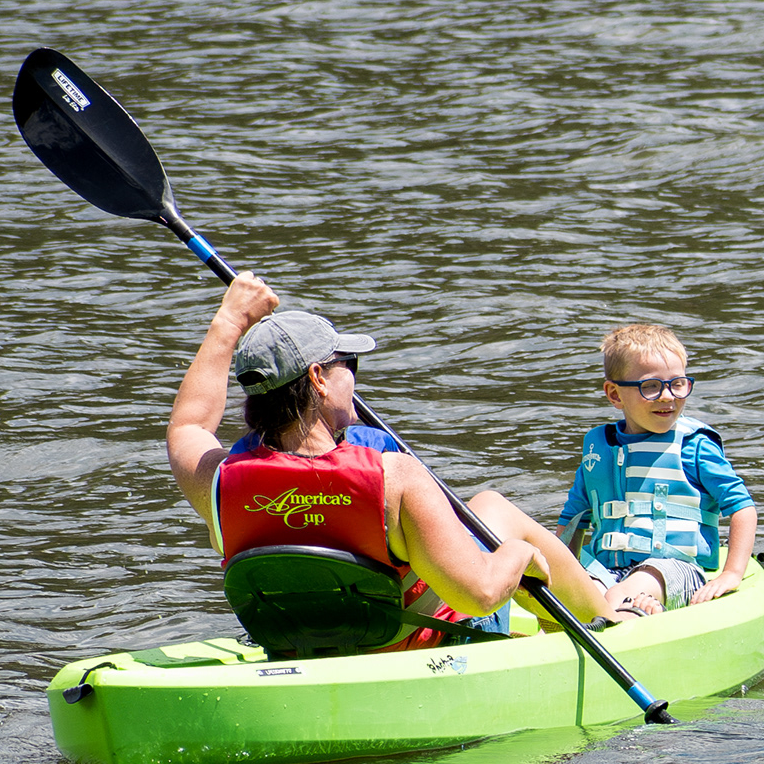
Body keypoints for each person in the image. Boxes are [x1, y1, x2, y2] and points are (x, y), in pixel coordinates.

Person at [167, 276, 618, 658]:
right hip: (420, 650)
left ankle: (596, 617)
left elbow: (188, 424)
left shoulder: (220, 482)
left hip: (300, 646)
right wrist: (520, 558)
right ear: (319, 379)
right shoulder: (395, 476)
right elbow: (478, 594)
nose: (355, 377)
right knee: (492, 511)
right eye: (349, 363)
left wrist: (227, 323)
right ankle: (613, 625)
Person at [557, 322, 756, 618]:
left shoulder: (694, 445)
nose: (667, 396)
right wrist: (561, 579)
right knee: (584, 593)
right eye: (650, 386)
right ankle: (623, 612)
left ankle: (633, 611)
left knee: (632, 586)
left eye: (677, 383)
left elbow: (742, 507)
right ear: (614, 394)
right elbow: (573, 520)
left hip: (675, 569)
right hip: (608, 569)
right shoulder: (597, 449)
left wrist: (732, 573)